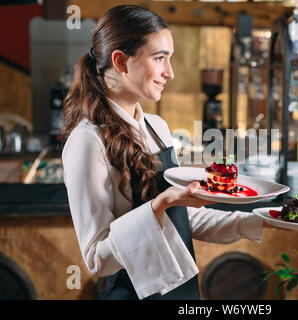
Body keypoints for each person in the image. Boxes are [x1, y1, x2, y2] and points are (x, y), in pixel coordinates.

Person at [62, 5, 266, 300]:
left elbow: (182, 220)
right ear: (120, 61)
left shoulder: (157, 127)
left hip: (181, 291)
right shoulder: (87, 141)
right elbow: (98, 259)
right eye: (160, 58)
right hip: (132, 294)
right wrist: (158, 206)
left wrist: (263, 219)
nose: (169, 73)